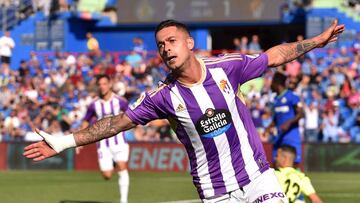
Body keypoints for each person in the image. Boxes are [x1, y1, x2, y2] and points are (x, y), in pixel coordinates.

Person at [24, 19, 344, 203]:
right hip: (215, 192)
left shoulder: (227, 68)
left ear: (189, 43)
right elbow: (117, 122)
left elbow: (272, 57)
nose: (166, 48)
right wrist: (64, 141)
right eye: (161, 44)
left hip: (259, 177)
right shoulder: (162, 96)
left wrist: (316, 41)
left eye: (172, 40)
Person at [80, 74, 130, 203]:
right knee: (107, 175)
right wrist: (79, 140)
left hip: (120, 141)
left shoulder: (120, 101)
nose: (102, 87)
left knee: (122, 166)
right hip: (103, 144)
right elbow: (85, 121)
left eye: (104, 83)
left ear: (110, 84)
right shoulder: (94, 105)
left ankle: (123, 201)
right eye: (100, 84)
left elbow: (131, 115)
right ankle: (113, 163)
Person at [268, 72, 304, 165]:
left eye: (272, 82)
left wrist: (289, 122)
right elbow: (276, 118)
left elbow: (301, 114)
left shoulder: (292, 97)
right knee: (276, 163)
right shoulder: (275, 99)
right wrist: (268, 128)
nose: (270, 85)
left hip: (291, 135)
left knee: (293, 163)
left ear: (277, 84)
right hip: (278, 136)